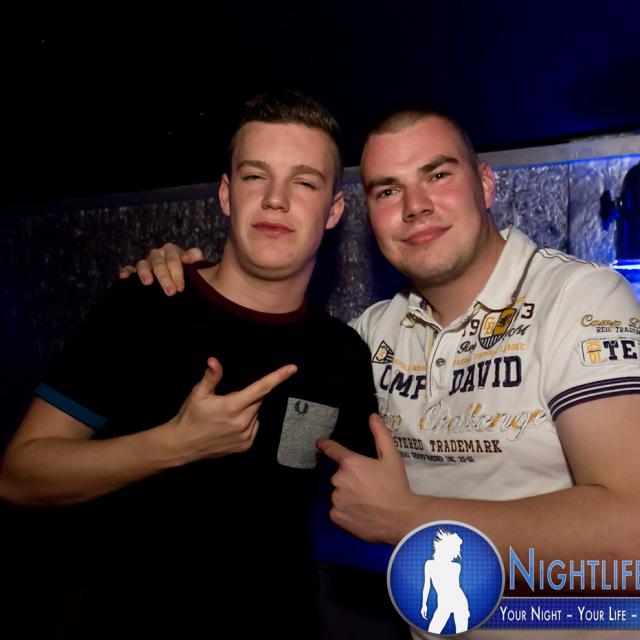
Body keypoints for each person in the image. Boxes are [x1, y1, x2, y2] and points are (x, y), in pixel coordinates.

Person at [129, 107, 640, 639]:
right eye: (388, 191)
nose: (415, 206)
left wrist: (410, 516)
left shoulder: (577, 299)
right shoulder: (373, 335)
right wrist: (178, 279)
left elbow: (633, 530)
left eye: (437, 175)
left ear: (486, 184)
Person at [0, 90, 398, 640]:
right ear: (227, 195)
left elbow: (363, 499)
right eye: (256, 176)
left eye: (304, 183)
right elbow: (19, 475)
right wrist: (175, 444)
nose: (276, 200)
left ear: (332, 212)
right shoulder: (145, 304)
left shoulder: (342, 353)